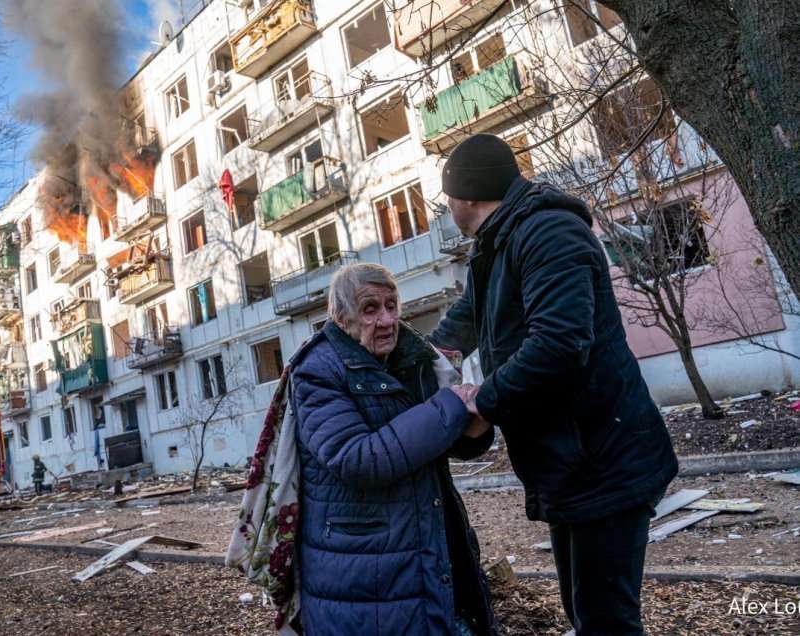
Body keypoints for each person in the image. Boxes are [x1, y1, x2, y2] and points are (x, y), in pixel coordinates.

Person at [429, 134, 679, 636]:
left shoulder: (548, 233)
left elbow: (560, 344)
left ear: (468, 195)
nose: (447, 207)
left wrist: (485, 401)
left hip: (604, 459)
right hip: (571, 465)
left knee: (606, 621)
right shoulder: (497, 244)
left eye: (447, 198)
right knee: (585, 611)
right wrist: (413, 360)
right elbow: (468, 319)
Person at [290, 263, 498, 635]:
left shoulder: (411, 356)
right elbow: (357, 459)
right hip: (361, 571)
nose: (386, 320)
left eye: (391, 305)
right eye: (370, 309)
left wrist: (473, 428)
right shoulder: (316, 370)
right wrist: (452, 406)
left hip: (423, 551)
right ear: (341, 317)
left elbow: (435, 440)